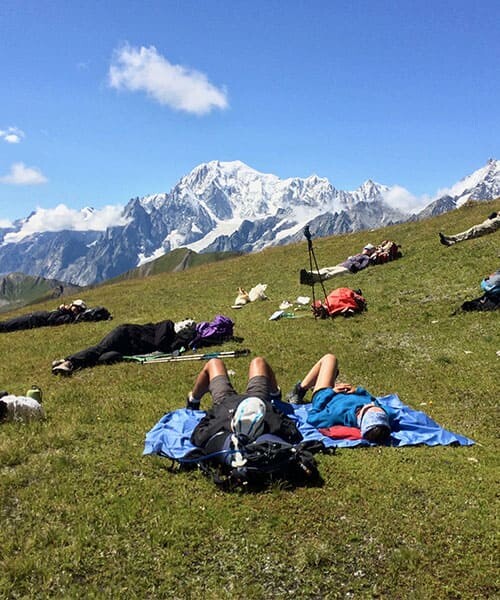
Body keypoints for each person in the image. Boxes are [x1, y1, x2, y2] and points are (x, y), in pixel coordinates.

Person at [189, 356, 302, 450]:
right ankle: (275, 394)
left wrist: (212, 413)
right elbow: (293, 431)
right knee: (258, 362)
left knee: (214, 363)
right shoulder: (272, 420)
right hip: (257, 399)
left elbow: (197, 436)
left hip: (227, 402)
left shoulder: (219, 423)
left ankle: (193, 400)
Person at [286, 353, 393, 443]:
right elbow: (374, 400)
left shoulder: (336, 416)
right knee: (330, 367)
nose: (373, 406)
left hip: (324, 394)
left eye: (370, 409)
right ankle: (328, 376)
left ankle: (299, 390)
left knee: (329, 358)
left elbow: (312, 417)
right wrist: (357, 391)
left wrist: (331, 392)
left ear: (361, 416)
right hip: (345, 392)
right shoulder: (382, 413)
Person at [52, 319, 197, 375]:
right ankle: (69, 362)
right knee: (100, 349)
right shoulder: (167, 325)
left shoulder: (171, 337)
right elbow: (160, 344)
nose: (185, 328)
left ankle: (67, 363)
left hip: (128, 347)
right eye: (186, 325)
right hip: (125, 334)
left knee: (103, 358)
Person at [300, 244, 377, 285]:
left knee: (330, 274)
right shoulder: (358, 255)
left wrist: (353, 262)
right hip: (341, 265)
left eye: (367, 249)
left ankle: (311, 280)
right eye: (365, 248)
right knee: (325, 269)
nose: (365, 250)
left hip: (348, 269)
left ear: (370, 252)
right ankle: (309, 274)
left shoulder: (366, 258)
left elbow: (362, 267)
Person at [0, 299, 88, 333]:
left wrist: (62, 310)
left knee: (7, 325)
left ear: (76, 309)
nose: (70, 305)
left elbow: (51, 320)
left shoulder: (68, 317)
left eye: (73, 305)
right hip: (33, 316)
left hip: (33, 320)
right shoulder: (67, 314)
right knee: (9, 323)